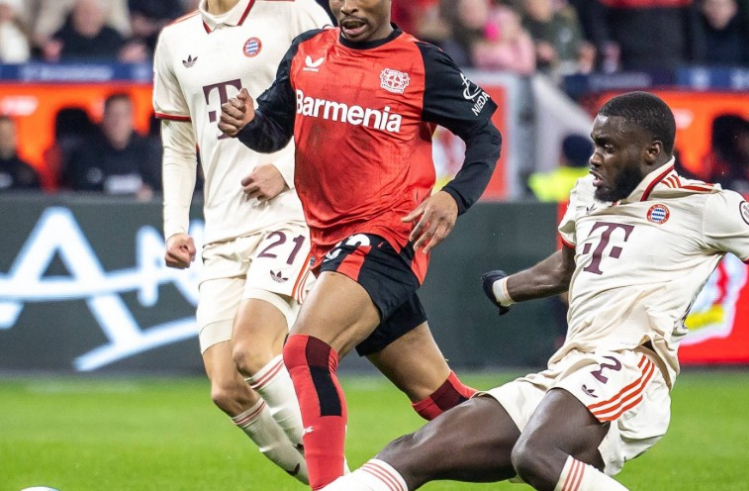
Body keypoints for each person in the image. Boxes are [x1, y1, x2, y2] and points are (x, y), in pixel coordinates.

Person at [318, 91, 749, 491]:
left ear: (652, 152)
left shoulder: (707, 206)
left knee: (537, 455)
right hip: (568, 370)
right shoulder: (588, 196)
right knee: (411, 451)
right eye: (595, 144)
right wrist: (505, 289)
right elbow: (567, 268)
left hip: (632, 365)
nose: (594, 158)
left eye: (608, 147)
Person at [217, 0, 502, 487]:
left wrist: (454, 197)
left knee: (306, 352)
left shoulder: (423, 63)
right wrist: (247, 124)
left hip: (390, 234)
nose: (346, 6)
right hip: (329, 245)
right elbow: (273, 132)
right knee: (442, 400)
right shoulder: (307, 51)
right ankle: (547, 448)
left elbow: (486, 136)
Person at [152, 0, 332, 484]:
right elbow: (178, 144)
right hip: (222, 231)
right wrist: (175, 226)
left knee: (252, 349)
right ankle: (335, 480)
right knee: (227, 388)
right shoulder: (175, 40)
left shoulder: (294, 12)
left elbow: (339, 105)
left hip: (291, 215)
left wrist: (287, 170)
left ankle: (342, 480)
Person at [62, 93, 160, 198]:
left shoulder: (151, 153)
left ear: (132, 119)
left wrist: (150, 193)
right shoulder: (84, 154)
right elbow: (79, 193)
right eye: (113, 115)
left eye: (124, 115)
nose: (118, 122)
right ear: (103, 118)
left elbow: (161, 189)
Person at [0, 116, 41, 191]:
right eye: (2, 134)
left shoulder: (27, 172)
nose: (6, 138)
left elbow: (36, 197)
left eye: (10, 133)